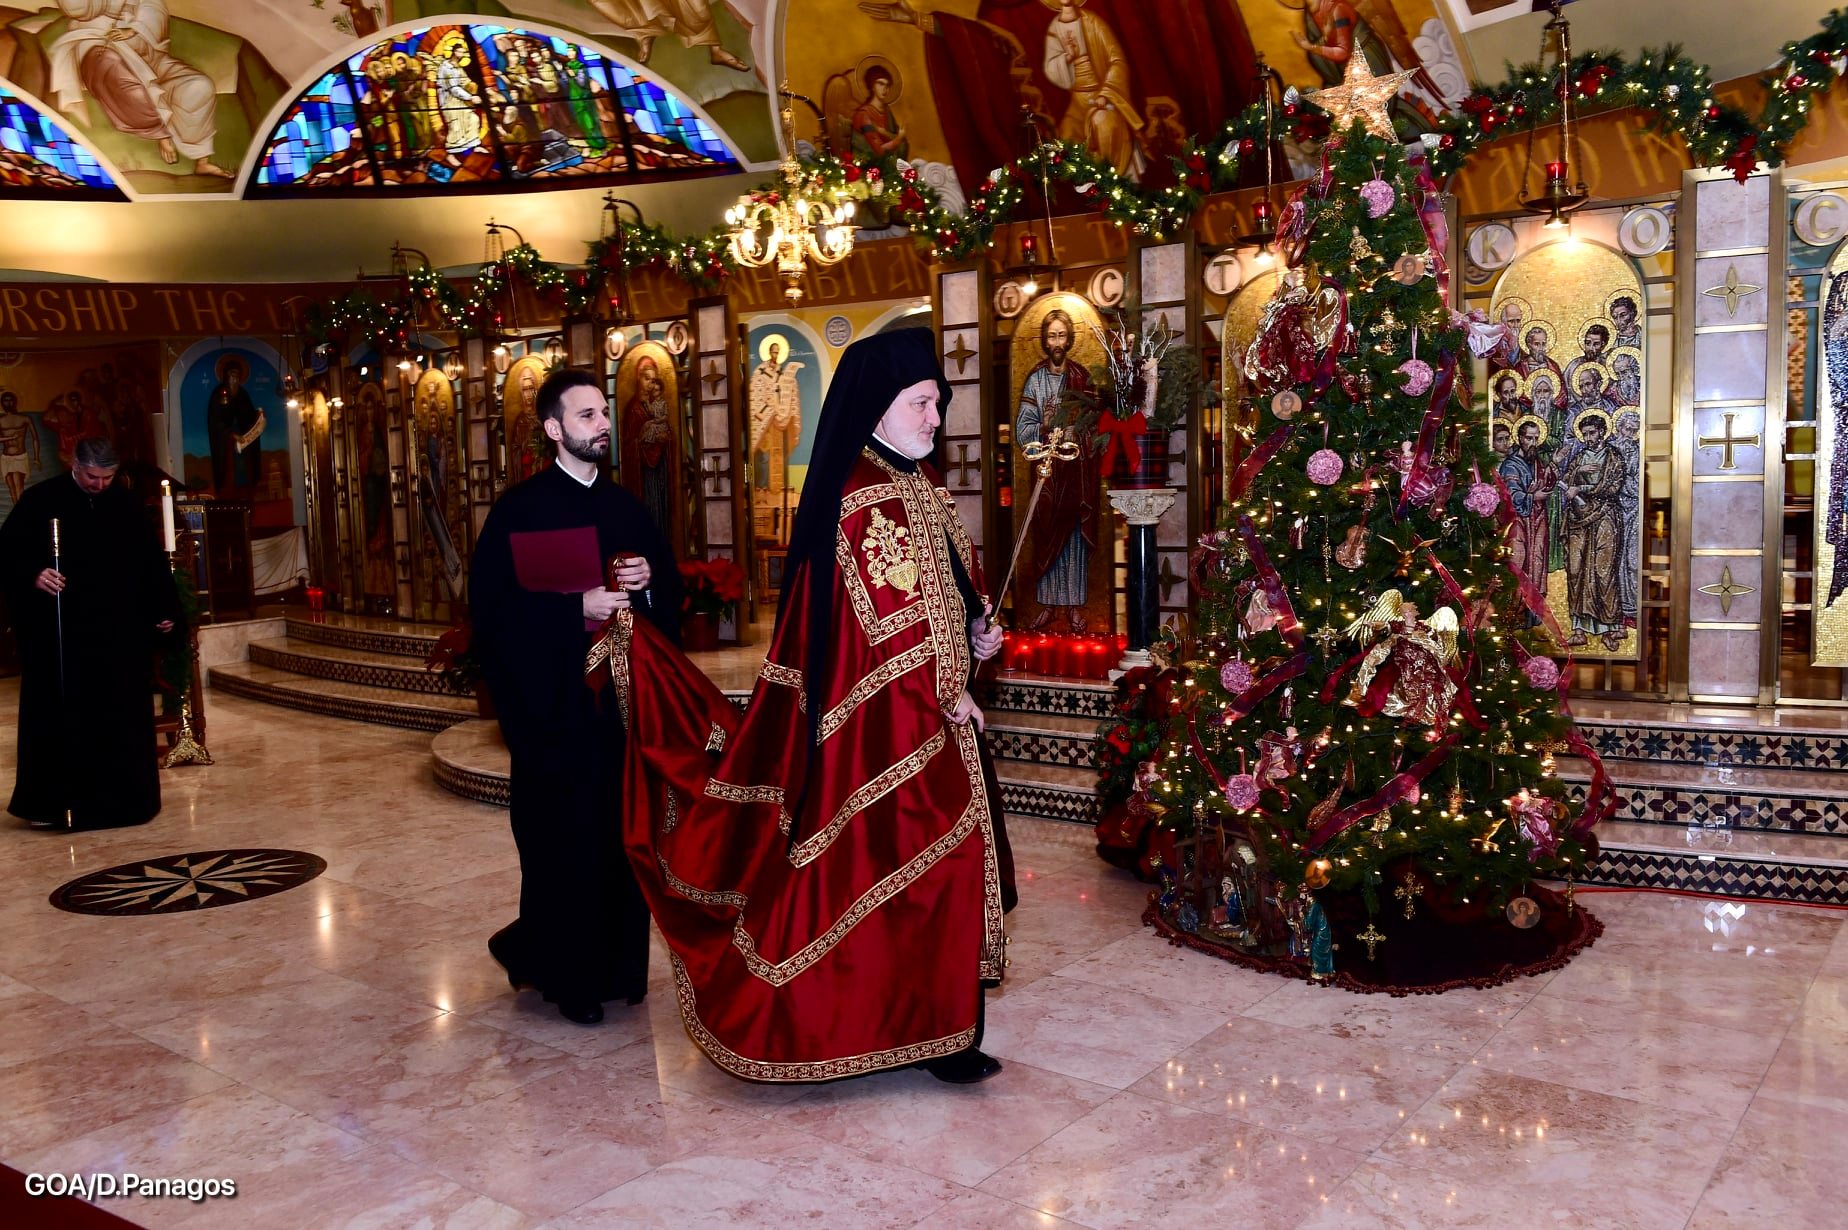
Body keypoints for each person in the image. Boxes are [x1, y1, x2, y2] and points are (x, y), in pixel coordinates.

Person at [603, 328, 1014, 1083]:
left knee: (939, 883)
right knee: (915, 880)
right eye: (922, 403)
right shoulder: (856, 498)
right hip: (885, 731)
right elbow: (879, 639)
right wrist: (946, 691)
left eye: (938, 403)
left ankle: (944, 1032)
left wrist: (979, 634)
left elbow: (946, 596)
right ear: (877, 408)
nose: (935, 419)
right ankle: (900, 1030)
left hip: (938, 721)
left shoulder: (921, 486)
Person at [468, 367, 683, 1025]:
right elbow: (492, 613)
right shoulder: (519, 510)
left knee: (622, 843)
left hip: (618, 713)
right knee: (565, 846)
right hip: (553, 715)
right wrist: (572, 610)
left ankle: (618, 973)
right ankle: (570, 981)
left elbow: (664, 599)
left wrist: (648, 584)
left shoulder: (625, 507)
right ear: (554, 429)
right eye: (587, 416)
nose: (603, 426)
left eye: (604, 413)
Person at [0, 436, 182, 830]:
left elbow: (149, 563)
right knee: (65, 717)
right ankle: (54, 803)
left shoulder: (125, 502)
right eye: (92, 476)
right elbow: (7, 553)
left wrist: (164, 609)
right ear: (74, 465)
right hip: (62, 636)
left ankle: (126, 802)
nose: (100, 485)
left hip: (119, 636)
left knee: (121, 716)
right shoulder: (40, 499)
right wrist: (34, 573)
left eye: (108, 476)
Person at [1016, 307, 1097, 630]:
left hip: (1075, 471)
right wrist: (1045, 425)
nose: (1057, 341)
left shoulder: (1081, 377)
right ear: (1044, 341)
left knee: (1074, 538)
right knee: (1047, 533)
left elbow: (1094, 425)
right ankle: (1048, 605)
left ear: (1070, 338)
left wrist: (1077, 430)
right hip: (1046, 473)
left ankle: (1075, 607)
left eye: (1062, 335)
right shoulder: (1034, 379)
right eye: (1052, 335)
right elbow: (1024, 428)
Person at [1560, 411, 1626, 650]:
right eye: (1585, 434)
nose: (1588, 438)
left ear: (1602, 432)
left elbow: (1614, 485)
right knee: (1577, 571)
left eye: (1592, 433)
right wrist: (1573, 483)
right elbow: (1567, 480)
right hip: (1579, 520)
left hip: (1605, 517)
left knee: (1603, 572)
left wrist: (1582, 487)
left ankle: (1608, 629)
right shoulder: (1578, 458)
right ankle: (1579, 629)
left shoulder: (1613, 457)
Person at [205, 356, 264, 497]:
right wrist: (231, 434)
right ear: (225, 376)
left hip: (244, 441)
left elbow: (249, 417)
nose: (234, 379)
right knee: (230, 471)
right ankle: (228, 492)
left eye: (237, 375)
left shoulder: (243, 394)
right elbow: (215, 421)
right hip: (227, 443)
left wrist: (258, 415)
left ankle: (246, 489)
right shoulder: (218, 394)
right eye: (232, 375)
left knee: (245, 468)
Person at [850, 64, 908, 160]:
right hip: (870, 167)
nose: (885, 89)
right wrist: (898, 139)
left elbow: (899, 140)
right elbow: (879, 151)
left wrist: (885, 133)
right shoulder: (863, 114)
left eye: (887, 85)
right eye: (880, 84)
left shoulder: (886, 111)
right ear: (872, 86)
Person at [0, 391, 42, 502]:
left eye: (10, 400)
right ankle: (17, 514)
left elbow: (35, 438)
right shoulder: (0, 421)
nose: (8, 403)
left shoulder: (25, 419)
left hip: (20, 457)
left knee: (19, 488)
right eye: (5, 400)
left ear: (15, 402)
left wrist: (36, 458)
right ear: (2, 403)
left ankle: (21, 514)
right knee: (12, 489)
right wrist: (10, 438)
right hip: (6, 458)